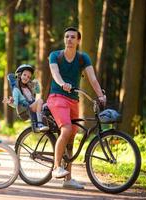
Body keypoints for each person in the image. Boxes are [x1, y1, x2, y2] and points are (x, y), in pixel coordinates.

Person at [47, 27, 106, 189]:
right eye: (67, 37)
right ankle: (56, 167)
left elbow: (92, 78)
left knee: (71, 139)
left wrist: (100, 95)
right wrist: (62, 84)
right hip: (57, 97)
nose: (69, 39)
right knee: (66, 130)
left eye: (73, 37)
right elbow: (55, 73)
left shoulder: (83, 58)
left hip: (73, 100)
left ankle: (68, 179)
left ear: (78, 40)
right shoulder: (55, 56)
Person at [3, 64, 49, 132]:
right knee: (40, 101)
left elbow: (38, 91)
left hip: (31, 106)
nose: (26, 77)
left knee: (47, 106)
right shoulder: (16, 89)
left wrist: (36, 83)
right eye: (24, 75)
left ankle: (47, 123)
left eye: (28, 77)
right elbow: (15, 104)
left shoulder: (28, 87)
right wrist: (10, 102)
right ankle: (39, 124)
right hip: (24, 110)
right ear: (20, 75)